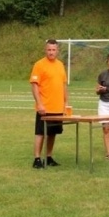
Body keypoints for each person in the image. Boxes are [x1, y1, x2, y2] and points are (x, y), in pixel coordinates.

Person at [30, 39, 69, 169]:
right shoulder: (39, 65)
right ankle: (37, 159)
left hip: (57, 107)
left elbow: (63, 85)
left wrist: (65, 103)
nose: (51, 52)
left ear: (57, 51)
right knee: (41, 133)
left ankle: (49, 156)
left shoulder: (60, 65)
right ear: (45, 50)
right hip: (44, 107)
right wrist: (39, 104)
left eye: (53, 50)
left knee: (53, 133)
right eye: (49, 50)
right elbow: (34, 86)